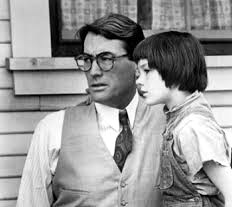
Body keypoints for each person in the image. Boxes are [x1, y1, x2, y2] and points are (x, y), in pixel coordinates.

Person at [16, 13, 166, 207]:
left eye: (106, 59)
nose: (93, 71)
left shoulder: (170, 122)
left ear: (137, 64)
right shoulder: (52, 129)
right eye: (87, 59)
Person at [133, 31, 232, 207]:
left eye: (146, 71)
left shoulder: (193, 127)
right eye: (137, 73)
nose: (139, 80)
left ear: (174, 68)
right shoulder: (176, 121)